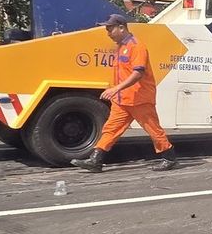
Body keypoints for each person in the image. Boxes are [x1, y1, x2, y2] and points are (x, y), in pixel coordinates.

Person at [70, 14, 178, 173]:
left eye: (110, 29)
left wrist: (115, 89)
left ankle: (169, 158)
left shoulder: (137, 46)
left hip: (139, 98)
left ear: (121, 27)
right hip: (122, 100)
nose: (108, 33)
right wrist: (117, 92)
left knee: (153, 129)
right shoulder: (121, 46)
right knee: (110, 129)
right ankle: (96, 160)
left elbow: (138, 73)